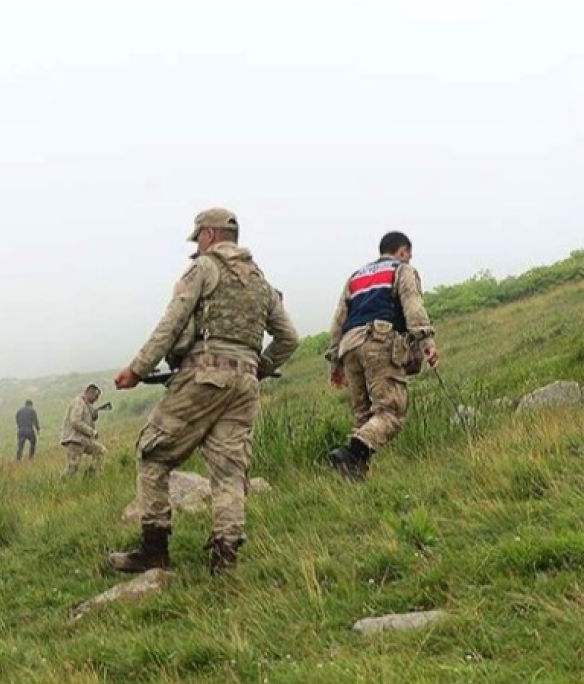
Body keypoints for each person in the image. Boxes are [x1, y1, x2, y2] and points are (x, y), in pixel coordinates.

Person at [110, 207, 298, 575]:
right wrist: (258, 368)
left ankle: (154, 550)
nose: (196, 244)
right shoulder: (260, 281)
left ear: (209, 235)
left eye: (197, 237)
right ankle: (225, 559)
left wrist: (137, 369)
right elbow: (289, 338)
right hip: (244, 385)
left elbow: (172, 322)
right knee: (229, 472)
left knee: (153, 454)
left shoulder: (204, 268)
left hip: (202, 375)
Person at [325, 231, 438, 480]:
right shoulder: (402, 270)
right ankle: (351, 453)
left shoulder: (355, 277)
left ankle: (354, 477)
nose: (408, 259)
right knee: (391, 412)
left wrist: (336, 362)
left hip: (349, 346)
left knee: (363, 418)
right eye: (408, 255)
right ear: (403, 251)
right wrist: (426, 341)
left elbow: (338, 321)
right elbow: (413, 305)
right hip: (379, 342)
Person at [59, 385, 106, 476]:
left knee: (100, 451)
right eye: (96, 397)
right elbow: (75, 421)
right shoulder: (78, 402)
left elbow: (85, 419)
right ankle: (62, 484)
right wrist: (91, 431)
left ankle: (92, 475)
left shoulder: (86, 405)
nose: (96, 399)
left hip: (83, 439)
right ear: (89, 393)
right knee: (73, 467)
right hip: (74, 439)